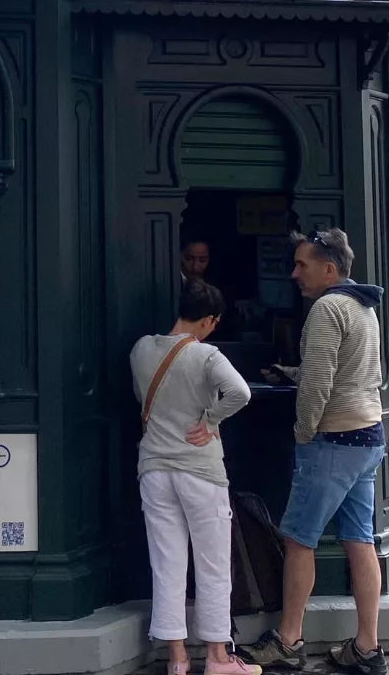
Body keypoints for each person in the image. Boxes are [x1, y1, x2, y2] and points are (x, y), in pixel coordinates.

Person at [242, 229, 388, 675]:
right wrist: (293, 372)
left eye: (302, 265)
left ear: (329, 269)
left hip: (332, 440)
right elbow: (352, 370)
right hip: (368, 434)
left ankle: (288, 639)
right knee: (360, 540)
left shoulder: (327, 308)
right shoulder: (363, 306)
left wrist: (304, 434)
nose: (294, 273)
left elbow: (319, 384)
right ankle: (367, 647)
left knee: (299, 539)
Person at [131, 279, 259, 675]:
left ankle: (177, 658)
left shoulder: (141, 349)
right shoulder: (206, 356)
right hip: (200, 470)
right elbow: (241, 393)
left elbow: (143, 399)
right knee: (213, 564)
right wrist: (210, 419)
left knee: (166, 563)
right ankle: (218, 657)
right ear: (208, 320)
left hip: (154, 468)